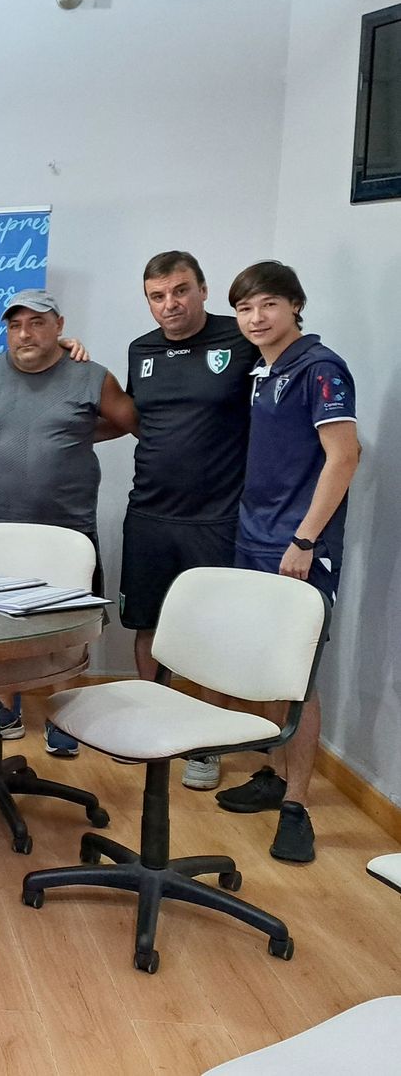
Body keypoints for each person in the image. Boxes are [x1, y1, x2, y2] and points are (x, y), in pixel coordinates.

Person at [0, 288, 138, 756]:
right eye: (15, 325)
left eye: (37, 322)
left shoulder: (90, 377)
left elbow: (130, 420)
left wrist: (77, 433)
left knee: (66, 627)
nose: (25, 333)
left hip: (66, 530)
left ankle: (64, 718)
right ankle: (2, 713)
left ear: (59, 327)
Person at [216, 261, 360, 864]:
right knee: (267, 667)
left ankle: (297, 806)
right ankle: (274, 777)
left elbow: (346, 456)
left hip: (297, 548)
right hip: (253, 537)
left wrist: (303, 542)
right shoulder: (263, 368)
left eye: (268, 305)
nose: (256, 318)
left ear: (295, 305)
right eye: (246, 308)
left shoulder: (320, 369)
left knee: (297, 677)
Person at [122, 251, 259, 790]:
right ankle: (154, 727)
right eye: (158, 296)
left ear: (202, 289)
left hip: (218, 517)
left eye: (180, 291)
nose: (170, 304)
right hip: (149, 512)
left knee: (214, 632)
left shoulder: (241, 339)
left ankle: (205, 743)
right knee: (148, 625)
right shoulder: (141, 350)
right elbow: (140, 417)